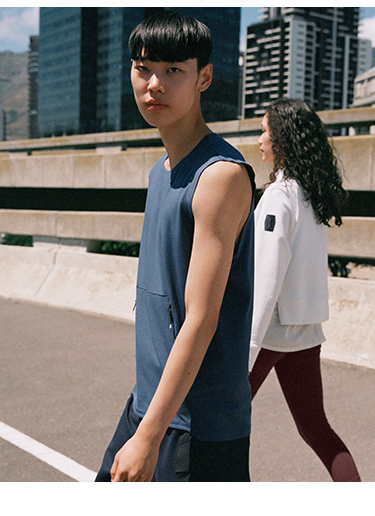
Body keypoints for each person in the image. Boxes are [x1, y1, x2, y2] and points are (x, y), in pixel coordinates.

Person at [95, 11, 255, 482]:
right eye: (143, 69)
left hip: (198, 426)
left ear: (204, 77)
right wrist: (146, 422)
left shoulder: (220, 176)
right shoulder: (160, 171)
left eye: (173, 71)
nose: (155, 85)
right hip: (151, 403)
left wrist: (148, 436)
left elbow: (200, 319)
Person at [248, 97, 361, 482]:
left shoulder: (279, 196)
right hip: (306, 330)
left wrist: (247, 348)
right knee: (315, 427)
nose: (259, 139)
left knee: (220, 423)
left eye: (264, 131)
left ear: (281, 138)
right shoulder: (312, 194)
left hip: (270, 332)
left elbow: (266, 277)